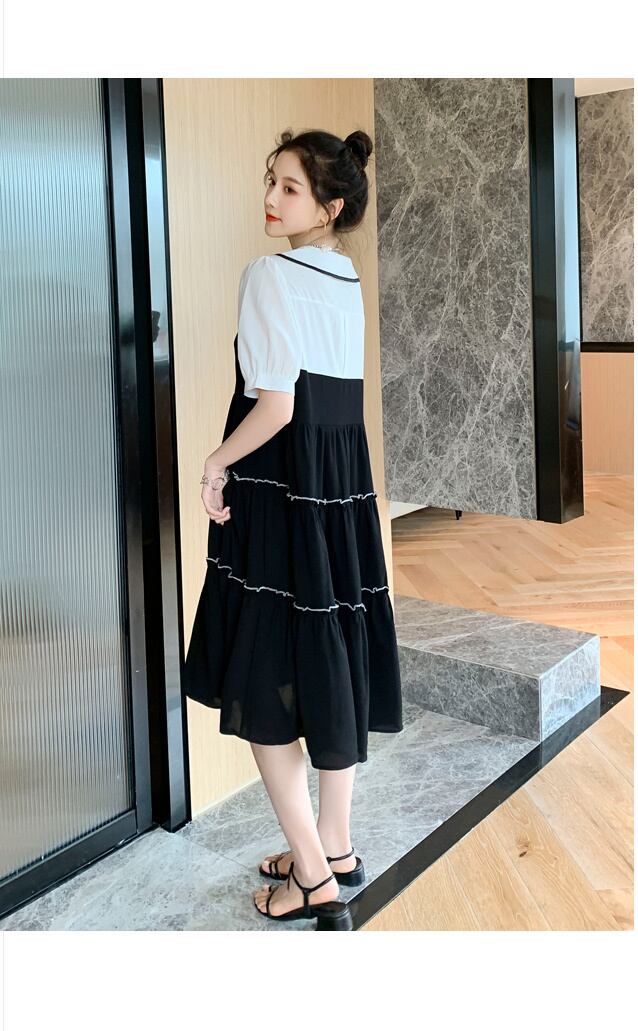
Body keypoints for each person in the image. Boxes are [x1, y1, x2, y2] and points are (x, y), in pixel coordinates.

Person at [182, 128, 403, 929]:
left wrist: (215, 463)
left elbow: (275, 405)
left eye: (290, 189)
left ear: (329, 206)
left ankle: (310, 874)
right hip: (338, 495)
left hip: (282, 492)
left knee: (263, 671)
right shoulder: (345, 276)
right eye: (271, 182)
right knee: (329, 659)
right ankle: (334, 846)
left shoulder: (269, 275)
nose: (271, 200)